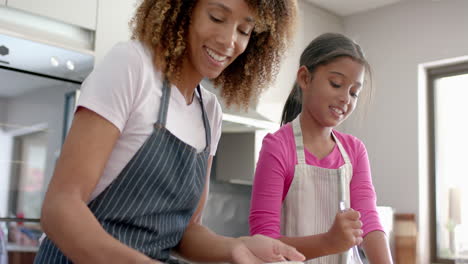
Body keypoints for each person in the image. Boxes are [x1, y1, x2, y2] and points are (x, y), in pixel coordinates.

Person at [33, 0, 305, 263]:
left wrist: (237, 247)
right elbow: (60, 207)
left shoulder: (210, 113)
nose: (228, 40)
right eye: (217, 17)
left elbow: (186, 233)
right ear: (185, 9)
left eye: (244, 30)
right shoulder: (133, 66)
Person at [249, 33, 393, 264]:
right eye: (336, 84)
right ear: (305, 78)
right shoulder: (277, 148)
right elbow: (263, 241)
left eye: (354, 92)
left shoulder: (355, 151)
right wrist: (328, 242)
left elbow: (369, 222)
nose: (346, 98)